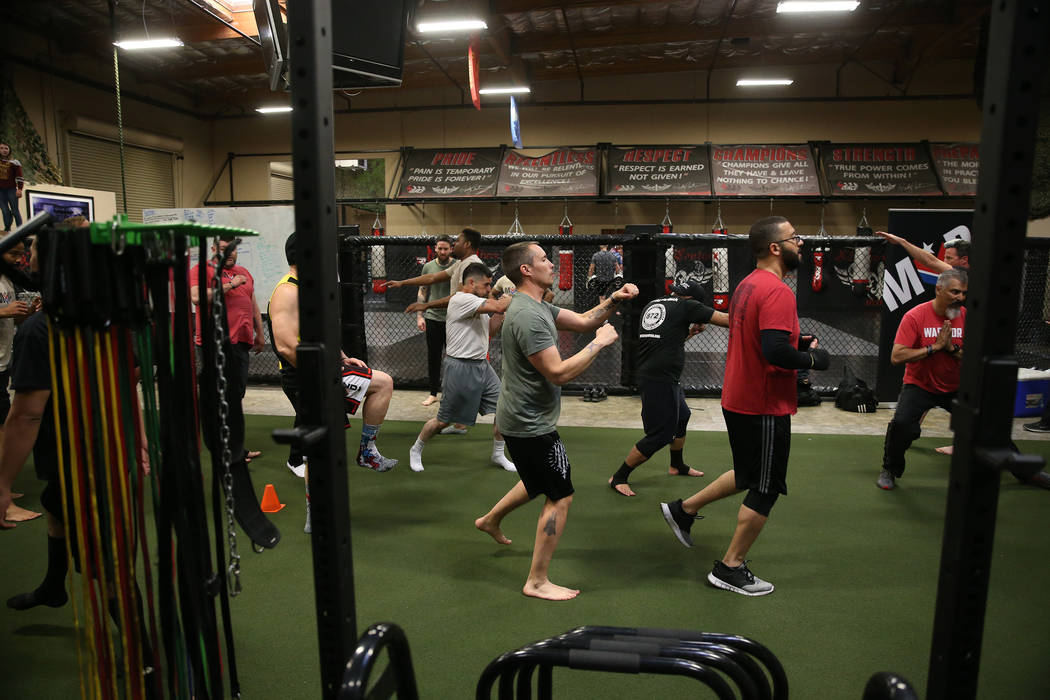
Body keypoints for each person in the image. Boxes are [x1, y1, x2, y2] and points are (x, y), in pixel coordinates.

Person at [659, 217, 830, 597]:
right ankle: (730, 567)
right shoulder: (778, 291)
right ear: (775, 247)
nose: (800, 244)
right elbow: (775, 352)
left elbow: (759, 336)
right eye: (794, 238)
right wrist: (816, 360)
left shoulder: (747, 285)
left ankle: (682, 510)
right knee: (766, 486)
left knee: (749, 472)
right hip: (763, 403)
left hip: (739, 398)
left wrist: (798, 338)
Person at [473, 241, 639, 601]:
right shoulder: (530, 317)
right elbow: (558, 373)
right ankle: (536, 580)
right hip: (530, 423)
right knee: (560, 495)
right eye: (545, 259)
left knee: (535, 478)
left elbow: (581, 321)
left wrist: (614, 299)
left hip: (520, 416)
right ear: (527, 271)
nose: (552, 264)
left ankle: (489, 520)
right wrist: (599, 344)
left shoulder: (535, 305)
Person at [268, 233, 397, 532]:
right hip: (303, 377)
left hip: (325, 369)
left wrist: (342, 357)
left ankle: (367, 451)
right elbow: (287, 347)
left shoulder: (309, 288)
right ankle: (315, 511)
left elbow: (317, 333)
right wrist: (325, 375)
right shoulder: (287, 292)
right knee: (320, 445)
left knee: (382, 383)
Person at [608, 279, 728, 497]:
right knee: (660, 435)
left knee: (682, 415)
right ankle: (619, 477)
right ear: (693, 300)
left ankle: (677, 466)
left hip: (657, 374)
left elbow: (666, 339)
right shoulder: (688, 306)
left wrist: (690, 333)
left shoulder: (656, 304)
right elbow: (730, 321)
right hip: (658, 378)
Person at [408, 262, 515, 473]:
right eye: (486, 285)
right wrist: (516, 293)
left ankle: (498, 453)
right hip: (460, 367)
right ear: (471, 283)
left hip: (482, 366)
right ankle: (416, 449)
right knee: (443, 421)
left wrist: (500, 313)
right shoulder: (462, 299)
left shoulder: (478, 302)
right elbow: (500, 305)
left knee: (505, 409)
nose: (488, 289)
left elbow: (491, 330)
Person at [877, 269, 968, 490]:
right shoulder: (916, 316)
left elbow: (974, 358)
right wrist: (933, 348)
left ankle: (1026, 472)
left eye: (963, 293)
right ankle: (890, 469)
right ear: (939, 289)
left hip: (956, 386)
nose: (960, 297)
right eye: (955, 292)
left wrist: (950, 349)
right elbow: (897, 356)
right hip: (921, 385)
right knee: (901, 425)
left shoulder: (964, 316)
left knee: (988, 425)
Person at [189, 236, 267, 464]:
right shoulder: (202, 270)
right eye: (224, 250)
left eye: (233, 250)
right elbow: (196, 297)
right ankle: (224, 450)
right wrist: (231, 284)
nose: (230, 254)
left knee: (236, 396)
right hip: (216, 344)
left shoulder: (244, 271)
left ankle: (236, 448)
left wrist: (259, 333)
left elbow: (252, 302)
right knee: (220, 397)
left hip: (240, 343)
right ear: (213, 249)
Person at [0, 238, 42, 524]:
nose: (19, 260)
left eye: (22, 254)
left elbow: (10, 321)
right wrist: (3, 311)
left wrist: (24, 316)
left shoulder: (6, 281)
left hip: (2, 360)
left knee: (3, 424)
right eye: (13, 253)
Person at [389, 227, 484, 313]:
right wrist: (402, 282)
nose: (455, 243)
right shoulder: (461, 263)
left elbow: (458, 297)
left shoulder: (472, 264)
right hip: (458, 320)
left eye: (458, 241)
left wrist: (426, 305)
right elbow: (432, 278)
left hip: (467, 325)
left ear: (467, 244)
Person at [416, 234, 455, 407]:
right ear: (435, 249)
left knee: (454, 358)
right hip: (432, 318)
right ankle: (433, 393)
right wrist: (419, 316)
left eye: (446, 248)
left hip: (453, 319)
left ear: (451, 249)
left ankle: (451, 393)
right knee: (433, 356)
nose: (442, 251)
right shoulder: (428, 267)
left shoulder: (458, 266)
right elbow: (422, 290)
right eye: (440, 248)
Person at [876, 231, 969, 273]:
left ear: (964, 260)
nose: (944, 262)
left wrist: (902, 242)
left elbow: (931, 261)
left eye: (949, 258)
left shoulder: (966, 275)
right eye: (945, 257)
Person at [0, 142, 24, 233]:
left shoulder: (15, 163)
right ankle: (7, 229)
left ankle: (20, 230)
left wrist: (20, 189)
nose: (4, 150)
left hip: (11, 189)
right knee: (4, 210)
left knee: (15, 210)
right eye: (2, 148)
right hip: (0, 191)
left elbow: (19, 177)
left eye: (6, 148)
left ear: (9, 150)